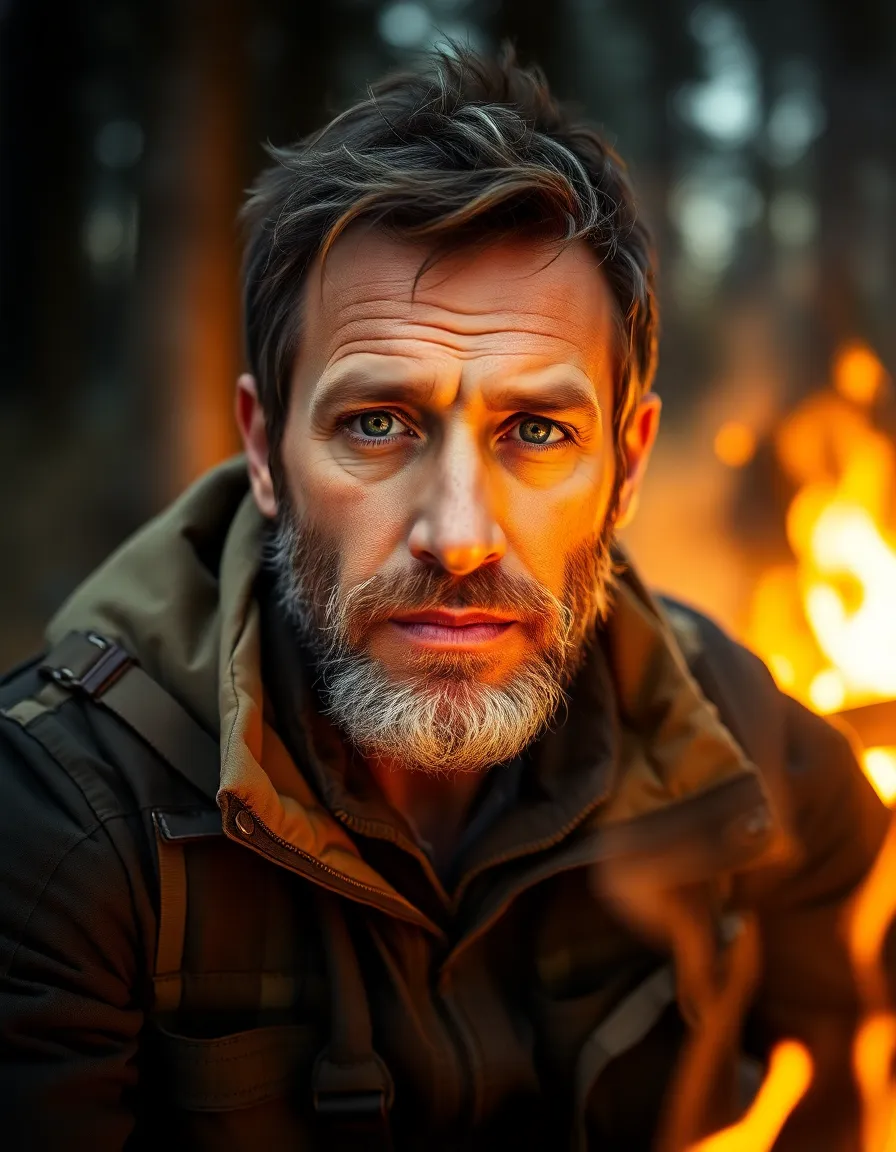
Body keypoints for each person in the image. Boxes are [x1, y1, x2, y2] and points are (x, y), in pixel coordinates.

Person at [0, 45, 887, 1152]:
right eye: (377, 424)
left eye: (536, 432)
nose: (457, 536)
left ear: (628, 462)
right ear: (264, 451)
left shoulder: (745, 746)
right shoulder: (59, 830)